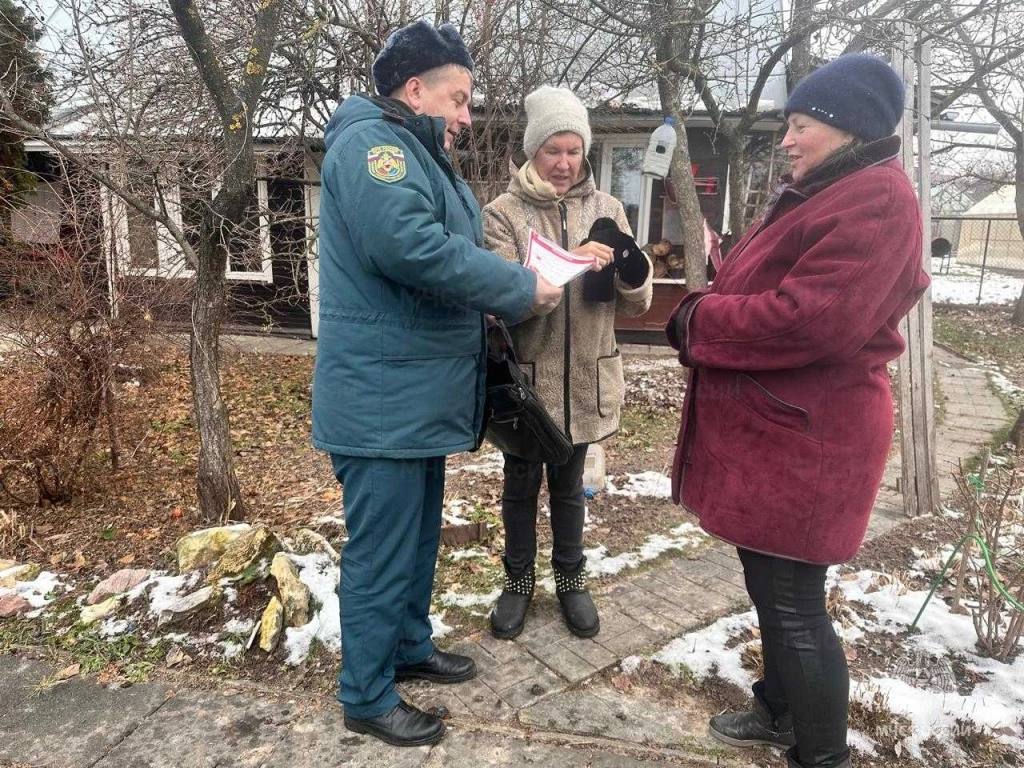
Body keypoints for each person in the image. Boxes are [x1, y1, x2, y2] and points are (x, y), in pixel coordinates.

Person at [665, 54, 930, 768]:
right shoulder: (827, 192)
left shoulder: (877, 199)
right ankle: (780, 712)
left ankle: (820, 754)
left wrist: (700, 321)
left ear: (847, 128)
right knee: (773, 588)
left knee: (794, 602)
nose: (787, 139)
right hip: (783, 433)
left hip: (808, 442)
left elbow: (812, 320)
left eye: (801, 124)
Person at [311, 20, 563, 748]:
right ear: (413, 89)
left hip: (413, 398)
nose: (466, 115)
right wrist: (518, 286)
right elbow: (412, 248)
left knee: (417, 539)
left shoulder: (418, 151)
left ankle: (408, 647)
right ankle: (364, 693)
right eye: (457, 98)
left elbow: (455, 249)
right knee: (382, 549)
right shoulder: (372, 147)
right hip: (380, 402)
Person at [482, 86, 653, 641]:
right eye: (551, 150)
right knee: (520, 485)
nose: (563, 163)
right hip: (528, 386)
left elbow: (637, 300)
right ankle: (518, 584)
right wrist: (562, 266)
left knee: (571, 486)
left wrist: (630, 267)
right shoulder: (502, 215)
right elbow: (500, 299)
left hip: (586, 380)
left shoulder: (609, 211)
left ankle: (571, 581)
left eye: (572, 150)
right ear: (532, 152)